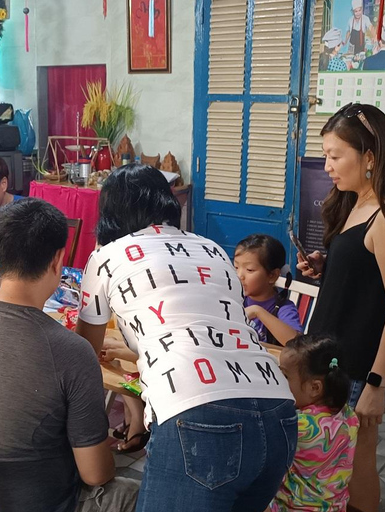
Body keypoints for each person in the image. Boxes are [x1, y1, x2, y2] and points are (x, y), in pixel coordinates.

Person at [76, 165, 297, 511]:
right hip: (279, 411)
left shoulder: (105, 256)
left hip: (199, 416)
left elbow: (83, 354)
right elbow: (213, 335)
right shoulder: (212, 250)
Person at [0, 198, 140, 512]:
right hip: (41, 503)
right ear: (59, 260)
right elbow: (96, 474)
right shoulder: (72, 351)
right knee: (143, 491)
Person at [298, 103, 385, 512]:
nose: (327, 166)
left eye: (336, 156)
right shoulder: (357, 202)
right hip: (335, 357)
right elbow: (366, 275)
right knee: (330, 458)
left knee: (358, 459)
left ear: (370, 157)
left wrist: (377, 384)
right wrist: (329, 267)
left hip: (361, 368)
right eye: (325, 155)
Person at [269, 335, 360, 512]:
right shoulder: (348, 414)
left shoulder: (298, 426)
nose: (277, 380)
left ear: (315, 388)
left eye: (284, 375)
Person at [234, 234, 302, 346]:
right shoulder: (234, 298)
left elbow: (296, 344)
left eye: (249, 270)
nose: (239, 275)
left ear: (272, 276)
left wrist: (258, 311)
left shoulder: (283, 308)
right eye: (236, 267)